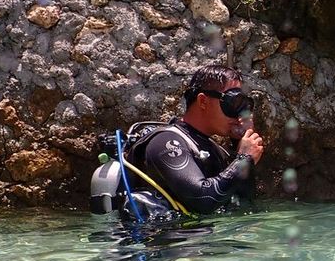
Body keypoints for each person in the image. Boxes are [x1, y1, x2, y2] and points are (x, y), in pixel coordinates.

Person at [111, 63, 265, 219]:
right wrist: (243, 160)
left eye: (242, 105)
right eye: (233, 103)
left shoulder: (215, 150)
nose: (238, 114)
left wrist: (238, 147)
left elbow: (243, 206)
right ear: (203, 101)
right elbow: (203, 201)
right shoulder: (166, 142)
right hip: (162, 241)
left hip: (200, 239)